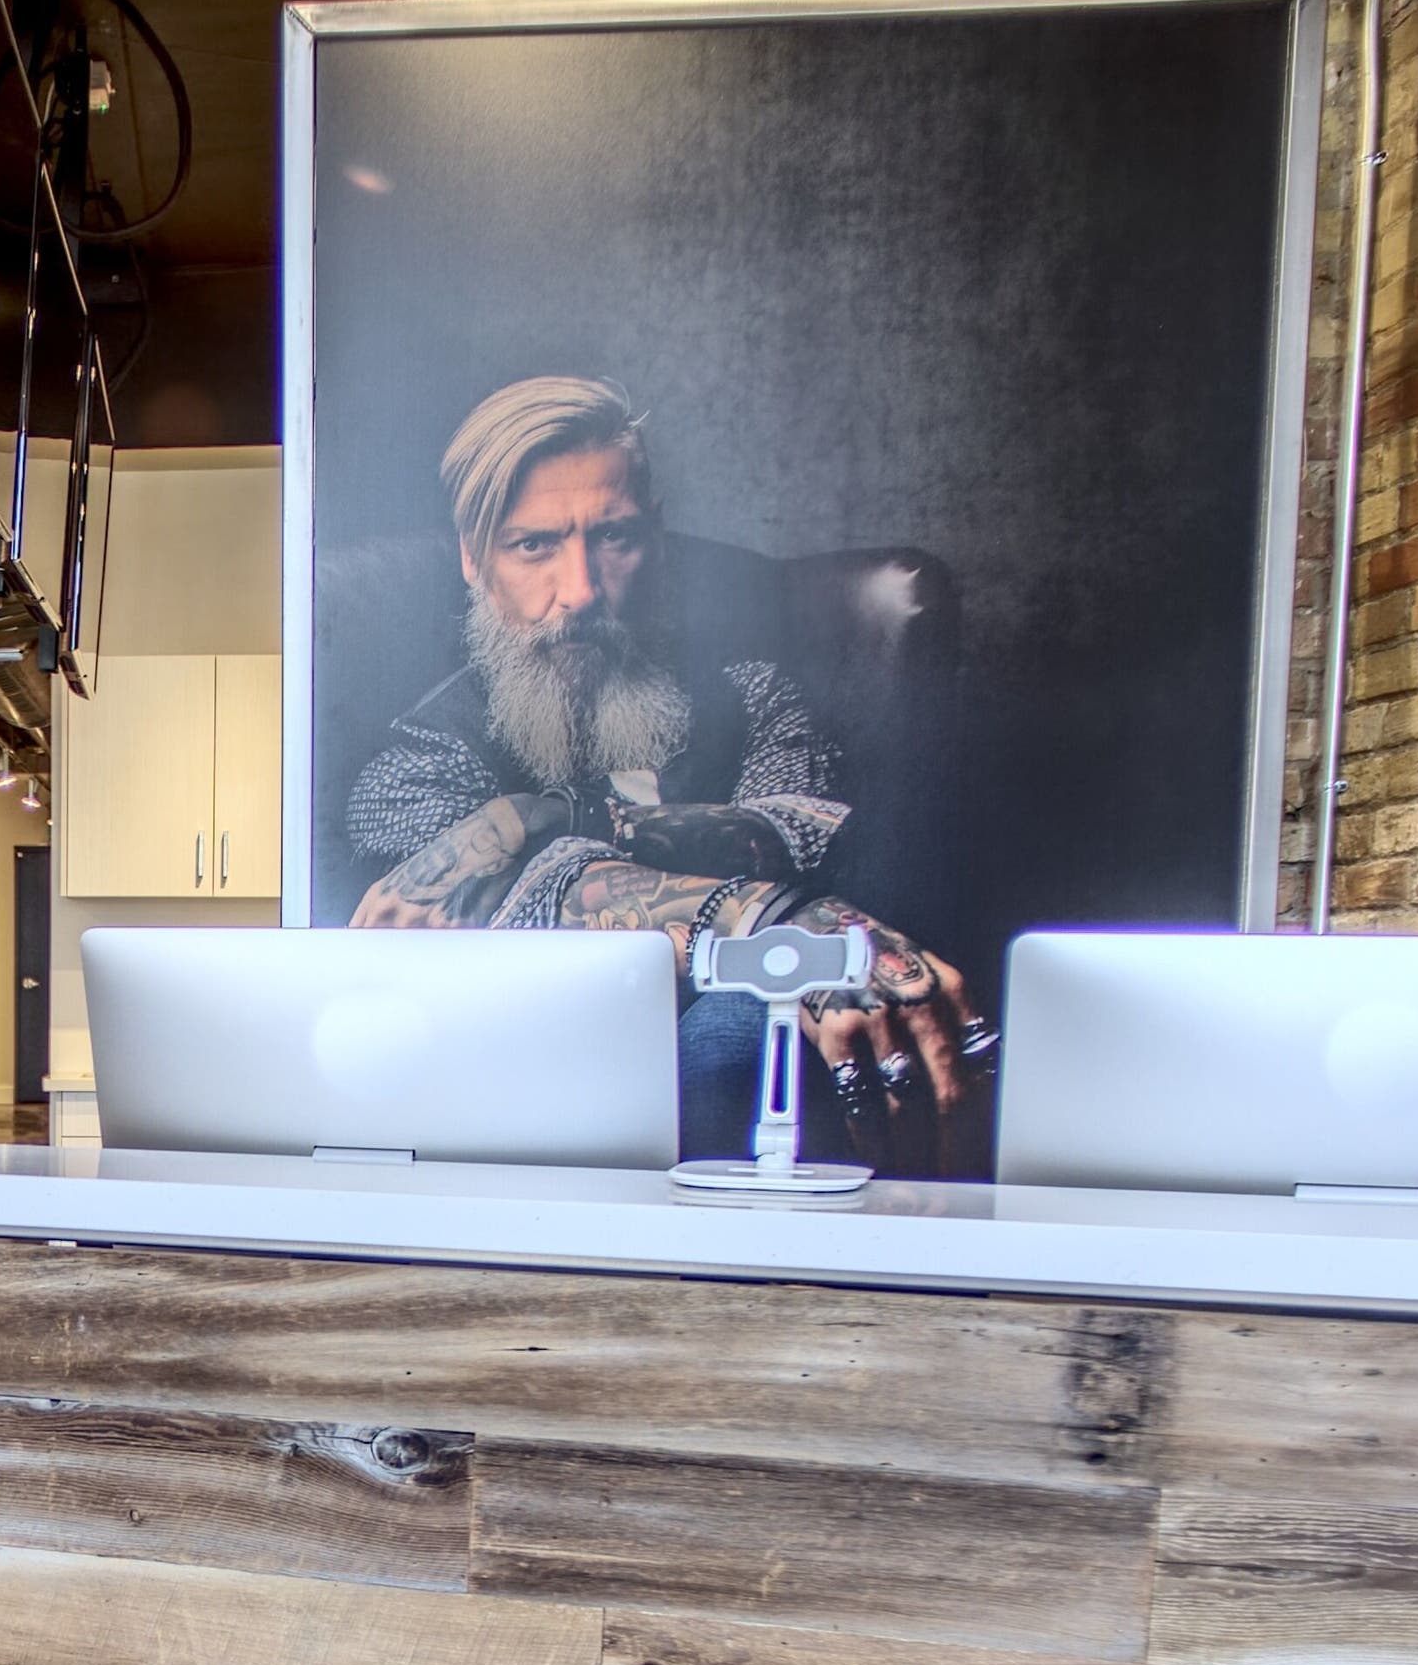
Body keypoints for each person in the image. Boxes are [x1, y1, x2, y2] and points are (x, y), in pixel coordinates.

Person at [345, 374, 978, 1153]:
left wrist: (558, 818)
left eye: (613, 538)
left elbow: (806, 836)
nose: (578, 590)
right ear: (474, 560)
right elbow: (502, 907)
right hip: (514, 1101)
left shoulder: (751, 699)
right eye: (533, 545)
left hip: (743, 1092)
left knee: (750, 1025)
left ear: (658, 538)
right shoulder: (424, 755)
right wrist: (771, 918)